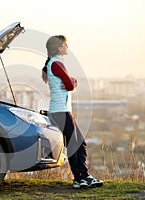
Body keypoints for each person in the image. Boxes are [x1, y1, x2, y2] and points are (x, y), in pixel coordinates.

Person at [42, 35, 103, 189]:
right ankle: (80, 178)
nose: (67, 48)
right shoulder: (56, 63)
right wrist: (74, 81)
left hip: (62, 111)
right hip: (61, 112)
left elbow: (68, 83)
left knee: (79, 143)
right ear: (60, 48)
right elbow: (69, 84)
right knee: (75, 144)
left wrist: (71, 81)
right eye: (65, 45)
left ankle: (84, 176)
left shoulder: (55, 63)